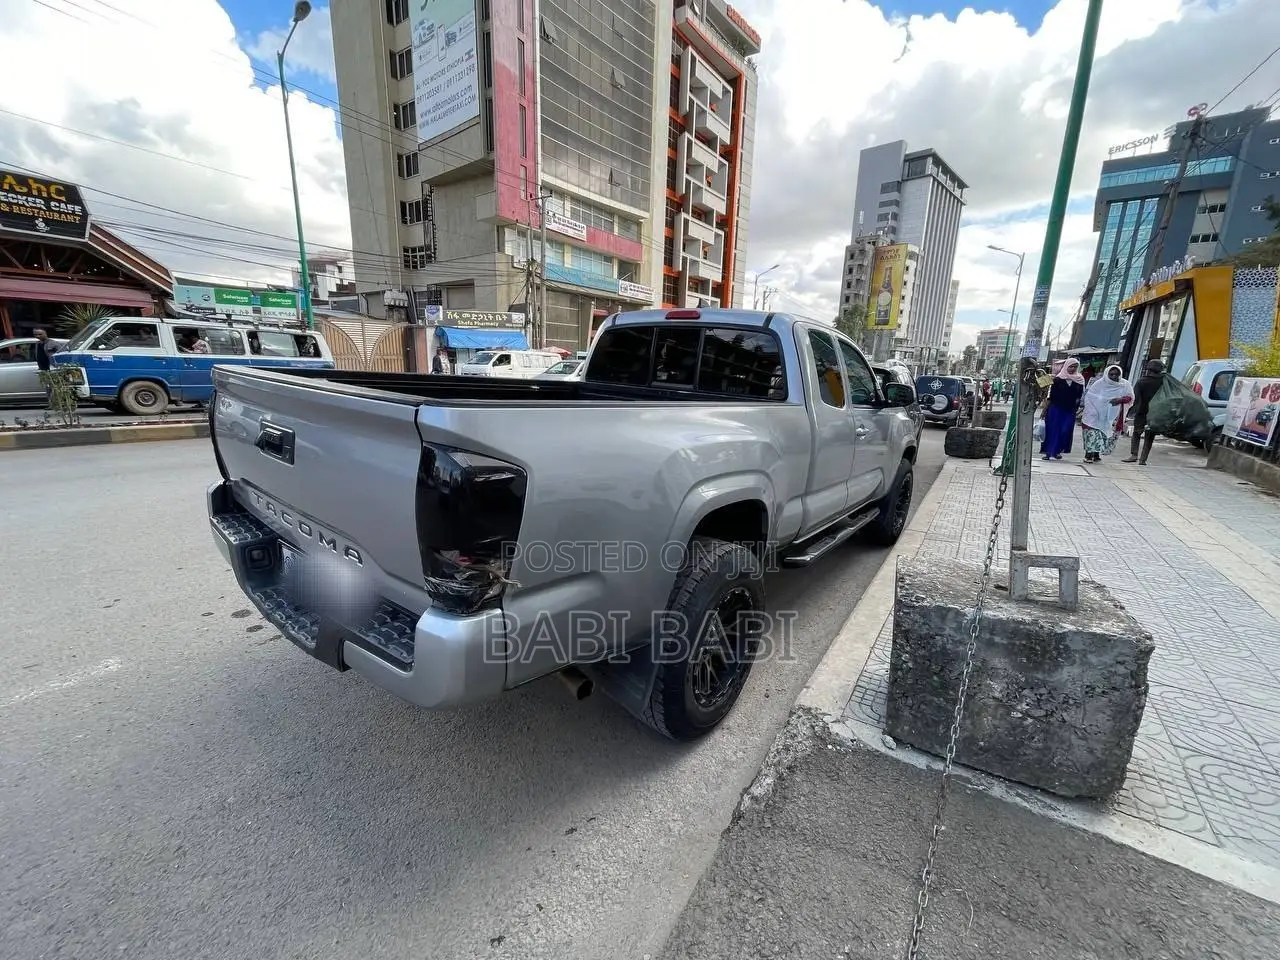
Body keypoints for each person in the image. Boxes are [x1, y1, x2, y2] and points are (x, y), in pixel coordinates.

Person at [1080, 363, 1133, 463]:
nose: (1114, 377)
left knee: (1103, 435)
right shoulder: (1099, 384)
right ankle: (1088, 455)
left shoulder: (1125, 384)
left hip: (1112, 415)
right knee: (1092, 435)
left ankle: (1096, 454)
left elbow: (1130, 397)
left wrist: (1120, 399)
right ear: (1106, 374)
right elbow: (1090, 397)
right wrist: (1094, 410)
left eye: (1116, 374)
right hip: (1095, 414)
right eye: (1111, 374)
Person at [1039, 357, 1085, 460]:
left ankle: (1058, 451)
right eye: (1070, 366)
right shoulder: (1057, 378)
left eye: (1075, 367)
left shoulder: (1080, 379)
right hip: (1055, 408)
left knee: (1065, 430)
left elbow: (1080, 395)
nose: (1072, 369)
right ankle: (1049, 452)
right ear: (1066, 366)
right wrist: (1044, 410)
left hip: (1070, 410)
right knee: (1052, 429)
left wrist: (1078, 408)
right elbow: (1041, 385)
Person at [1123, 359, 1165, 465]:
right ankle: (1143, 459)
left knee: (1137, 433)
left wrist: (1129, 412)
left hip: (1142, 411)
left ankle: (1134, 455)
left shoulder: (1142, 381)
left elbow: (1135, 398)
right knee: (1150, 435)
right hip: (1157, 412)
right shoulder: (1164, 381)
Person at [34, 328, 60, 407]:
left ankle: (57, 404)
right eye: (36, 334)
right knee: (48, 387)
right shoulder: (37, 344)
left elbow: (59, 354)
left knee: (55, 387)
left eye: (40, 334)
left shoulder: (53, 343)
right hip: (43, 368)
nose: (38, 336)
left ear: (45, 334)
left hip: (52, 368)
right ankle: (51, 404)